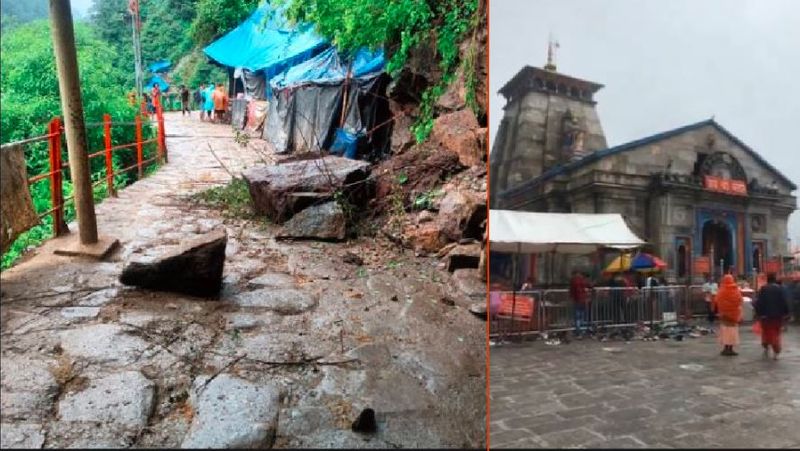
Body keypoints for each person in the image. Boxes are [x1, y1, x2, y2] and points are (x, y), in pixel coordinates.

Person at [754, 274, 790, 359]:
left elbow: (759, 302)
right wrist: (786, 312)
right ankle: (776, 348)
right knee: (776, 331)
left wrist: (758, 313)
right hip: (778, 315)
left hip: (765, 315)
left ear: (767, 280)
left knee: (766, 331)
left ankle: (766, 344)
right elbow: (784, 301)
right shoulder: (780, 289)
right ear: (775, 279)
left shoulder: (763, 289)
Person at [714, 274, 744, 356]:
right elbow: (740, 300)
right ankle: (730, 348)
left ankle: (725, 348)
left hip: (724, 315)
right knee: (732, 332)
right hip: (734, 315)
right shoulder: (735, 290)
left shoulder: (721, 290)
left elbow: (717, 300)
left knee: (725, 331)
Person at [570, 270, 590, 337]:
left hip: (577, 300)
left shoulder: (573, 281)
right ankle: (582, 330)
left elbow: (572, 291)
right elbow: (589, 285)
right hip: (583, 300)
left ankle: (578, 331)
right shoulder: (583, 280)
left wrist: (571, 297)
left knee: (577, 317)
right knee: (582, 316)